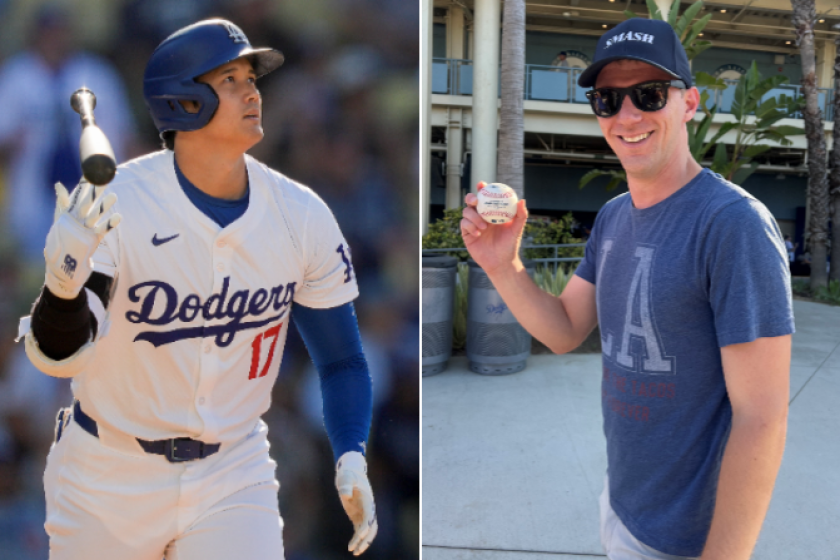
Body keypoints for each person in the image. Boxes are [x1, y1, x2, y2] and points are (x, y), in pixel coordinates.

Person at [16, 19, 377, 559]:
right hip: (107, 473)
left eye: (251, 77)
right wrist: (62, 283)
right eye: (230, 79)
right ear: (182, 102)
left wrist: (351, 452)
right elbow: (58, 356)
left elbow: (343, 361)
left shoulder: (301, 215)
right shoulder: (119, 203)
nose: (253, 90)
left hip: (233, 470)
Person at [460, 18, 793, 560]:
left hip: (688, 541)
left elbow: (762, 418)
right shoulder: (614, 216)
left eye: (649, 94)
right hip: (621, 505)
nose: (627, 115)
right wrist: (503, 265)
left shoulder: (733, 225)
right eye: (608, 100)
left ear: (689, 104)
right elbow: (566, 329)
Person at [0, 4, 137, 264]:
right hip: (32, 191)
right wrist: (12, 141)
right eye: (48, 33)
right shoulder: (15, 76)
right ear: (35, 36)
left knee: (95, 264)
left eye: (60, 32)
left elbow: (125, 135)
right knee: (36, 269)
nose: (54, 39)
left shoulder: (98, 73)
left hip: (92, 186)